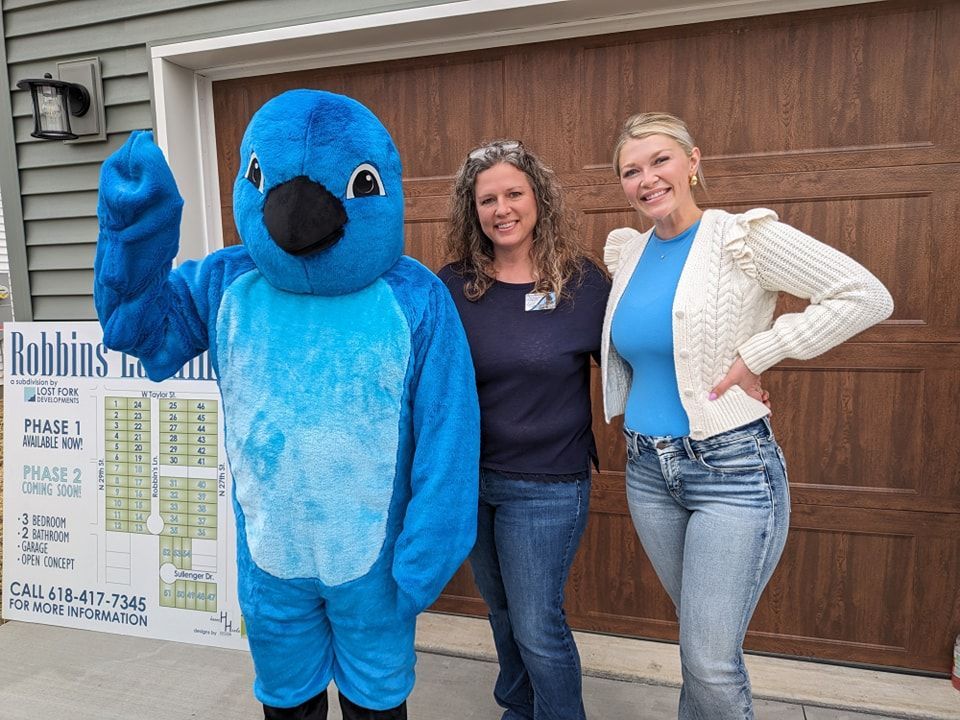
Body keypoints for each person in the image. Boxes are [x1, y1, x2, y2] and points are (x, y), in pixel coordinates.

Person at [601, 112, 893, 720]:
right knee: (698, 646)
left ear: (693, 162)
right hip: (647, 470)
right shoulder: (628, 254)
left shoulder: (741, 238)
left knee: (709, 658)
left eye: (660, 161)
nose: (647, 179)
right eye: (631, 171)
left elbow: (865, 294)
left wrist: (761, 351)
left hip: (730, 468)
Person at [438, 140, 610, 720]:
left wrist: (735, 374)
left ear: (539, 199)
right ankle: (518, 707)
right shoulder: (455, 286)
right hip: (473, 479)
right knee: (503, 613)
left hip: (548, 486)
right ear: (473, 210)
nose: (502, 209)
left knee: (538, 623)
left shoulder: (583, 283)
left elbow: (639, 351)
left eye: (514, 194)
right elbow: (428, 374)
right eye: (488, 199)